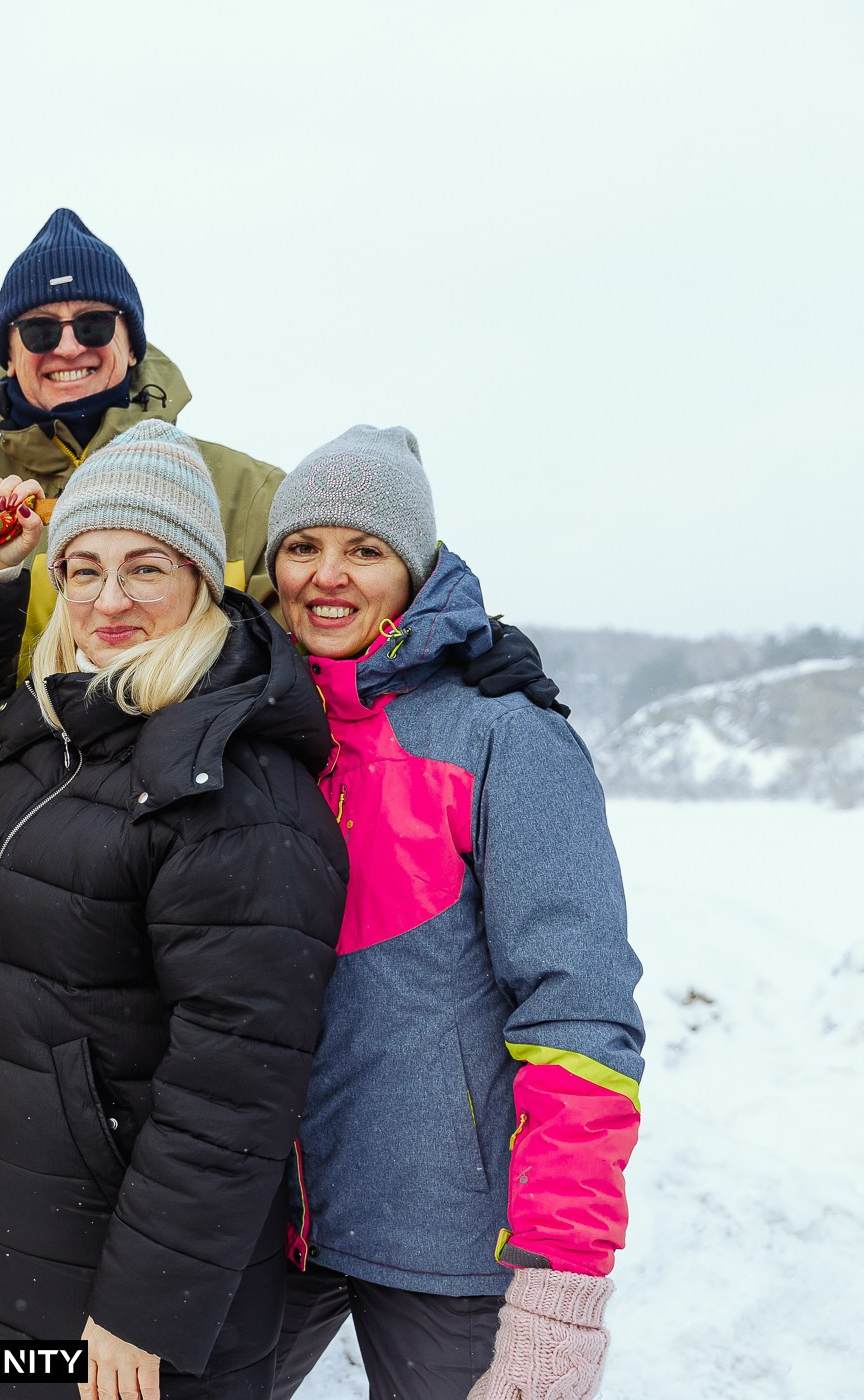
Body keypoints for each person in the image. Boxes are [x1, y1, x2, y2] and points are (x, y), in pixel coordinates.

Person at [0, 210, 562, 1073]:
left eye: (96, 325)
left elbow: (346, 580)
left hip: (174, 840)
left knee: (167, 1086)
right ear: (5, 349)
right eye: (40, 328)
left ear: (133, 343)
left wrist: (463, 639)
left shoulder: (236, 485)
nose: (68, 345)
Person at [0, 420, 347, 1399]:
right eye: (83, 568)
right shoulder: (68, 726)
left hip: (123, 1325)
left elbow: (231, 1092)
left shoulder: (234, 787)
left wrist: (142, 1310)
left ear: (201, 575)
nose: (109, 600)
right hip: (15, 1278)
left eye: (144, 568)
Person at [262, 427, 645, 1400]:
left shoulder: (503, 738)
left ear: (418, 566)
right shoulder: (262, 724)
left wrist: (561, 1286)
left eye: (366, 548)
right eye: (303, 547)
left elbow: (582, 1020)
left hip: (449, 1232)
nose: (328, 576)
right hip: (274, 1214)